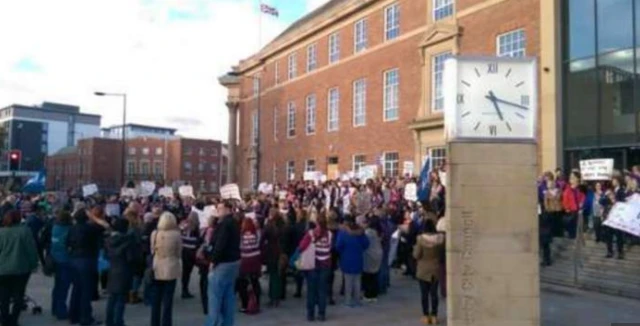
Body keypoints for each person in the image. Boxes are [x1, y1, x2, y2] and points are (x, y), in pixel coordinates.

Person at [0, 210, 38, 326]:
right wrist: (34, 264)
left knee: (4, 296)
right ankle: (13, 320)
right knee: (18, 295)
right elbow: (31, 250)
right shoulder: (25, 231)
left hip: (3, 268)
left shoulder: (1, 232)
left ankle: (5, 319)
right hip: (21, 268)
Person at [205, 200, 241, 326]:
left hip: (223, 263)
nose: (218, 211)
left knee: (215, 299)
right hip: (233, 262)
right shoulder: (235, 223)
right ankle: (227, 323)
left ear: (227, 209)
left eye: (220, 208)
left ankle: (213, 323)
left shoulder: (224, 224)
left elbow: (220, 244)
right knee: (228, 297)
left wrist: (213, 261)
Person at [67, 209, 104, 326]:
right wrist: (94, 217)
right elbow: (105, 226)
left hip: (74, 259)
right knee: (86, 290)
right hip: (87, 259)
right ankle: (85, 318)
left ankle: (74, 315)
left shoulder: (72, 228)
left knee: (76, 289)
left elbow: (67, 242)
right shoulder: (90, 228)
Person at [105, 218, 142, 326]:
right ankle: (118, 322)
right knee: (121, 299)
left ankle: (109, 321)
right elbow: (132, 258)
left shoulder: (109, 240)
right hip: (124, 271)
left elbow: (106, 255)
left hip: (113, 269)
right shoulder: (128, 241)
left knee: (112, 298)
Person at [298, 212, 333, 322]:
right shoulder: (330, 234)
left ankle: (310, 314)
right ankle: (322, 314)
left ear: (317, 222)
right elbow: (330, 248)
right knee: (322, 290)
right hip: (325, 265)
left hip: (312, 265)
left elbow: (302, 246)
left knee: (311, 290)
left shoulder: (311, 233)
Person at [150, 212, 182, 326]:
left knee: (156, 298)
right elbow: (179, 252)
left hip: (157, 265)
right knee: (168, 299)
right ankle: (166, 323)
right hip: (171, 266)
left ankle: (154, 322)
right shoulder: (176, 234)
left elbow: (152, 250)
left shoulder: (155, 233)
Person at [413, 218, 444, 325]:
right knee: (434, 294)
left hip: (423, 269)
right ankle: (434, 315)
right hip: (435, 268)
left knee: (424, 294)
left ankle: (426, 315)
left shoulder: (420, 239)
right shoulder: (440, 239)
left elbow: (417, 255)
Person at [335, 215, 369, 308]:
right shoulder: (361, 233)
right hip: (358, 259)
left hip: (346, 259)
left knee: (348, 282)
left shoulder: (342, 233)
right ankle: (357, 300)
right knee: (357, 281)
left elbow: (338, 246)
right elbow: (366, 244)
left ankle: (348, 301)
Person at [50, 210, 73, 320]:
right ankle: (61, 311)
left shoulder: (55, 228)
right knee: (64, 287)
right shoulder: (68, 230)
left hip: (55, 259)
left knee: (57, 286)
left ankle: (55, 308)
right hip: (66, 259)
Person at [237, 217, 262, 313]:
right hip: (255, 259)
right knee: (255, 281)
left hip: (245, 260)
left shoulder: (241, 235)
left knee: (243, 283)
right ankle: (256, 303)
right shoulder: (256, 234)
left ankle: (245, 304)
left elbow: (240, 247)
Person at [263, 208, 287, 307]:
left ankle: (273, 297)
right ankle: (277, 296)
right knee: (277, 275)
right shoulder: (283, 225)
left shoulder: (269, 225)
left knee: (273, 275)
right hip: (281, 252)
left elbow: (263, 237)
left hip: (272, 252)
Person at [362, 215, 383, 303]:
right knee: (374, 276)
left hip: (369, 255)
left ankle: (368, 295)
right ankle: (374, 295)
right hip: (378, 254)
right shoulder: (379, 232)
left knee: (367, 276)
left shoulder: (368, 232)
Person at [180, 212, 200, 299]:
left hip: (184, 250)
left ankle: (184, 289)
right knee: (188, 271)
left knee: (185, 271)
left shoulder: (184, 224)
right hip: (192, 250)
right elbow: (197, 240)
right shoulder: (196, 228)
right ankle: (185, 290)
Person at [562, 171, 585, 239]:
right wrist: (566, 208)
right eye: (571, 177)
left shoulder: (580, 188)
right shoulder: (567, 188)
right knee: (571, 226)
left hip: (579, 210)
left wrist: (582, 204)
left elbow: (583, 197)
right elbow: (565, 199)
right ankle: (571, 238)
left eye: (573, 177)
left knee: (578, 226)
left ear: (577, 179)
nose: (571, 179)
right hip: (571, 210)